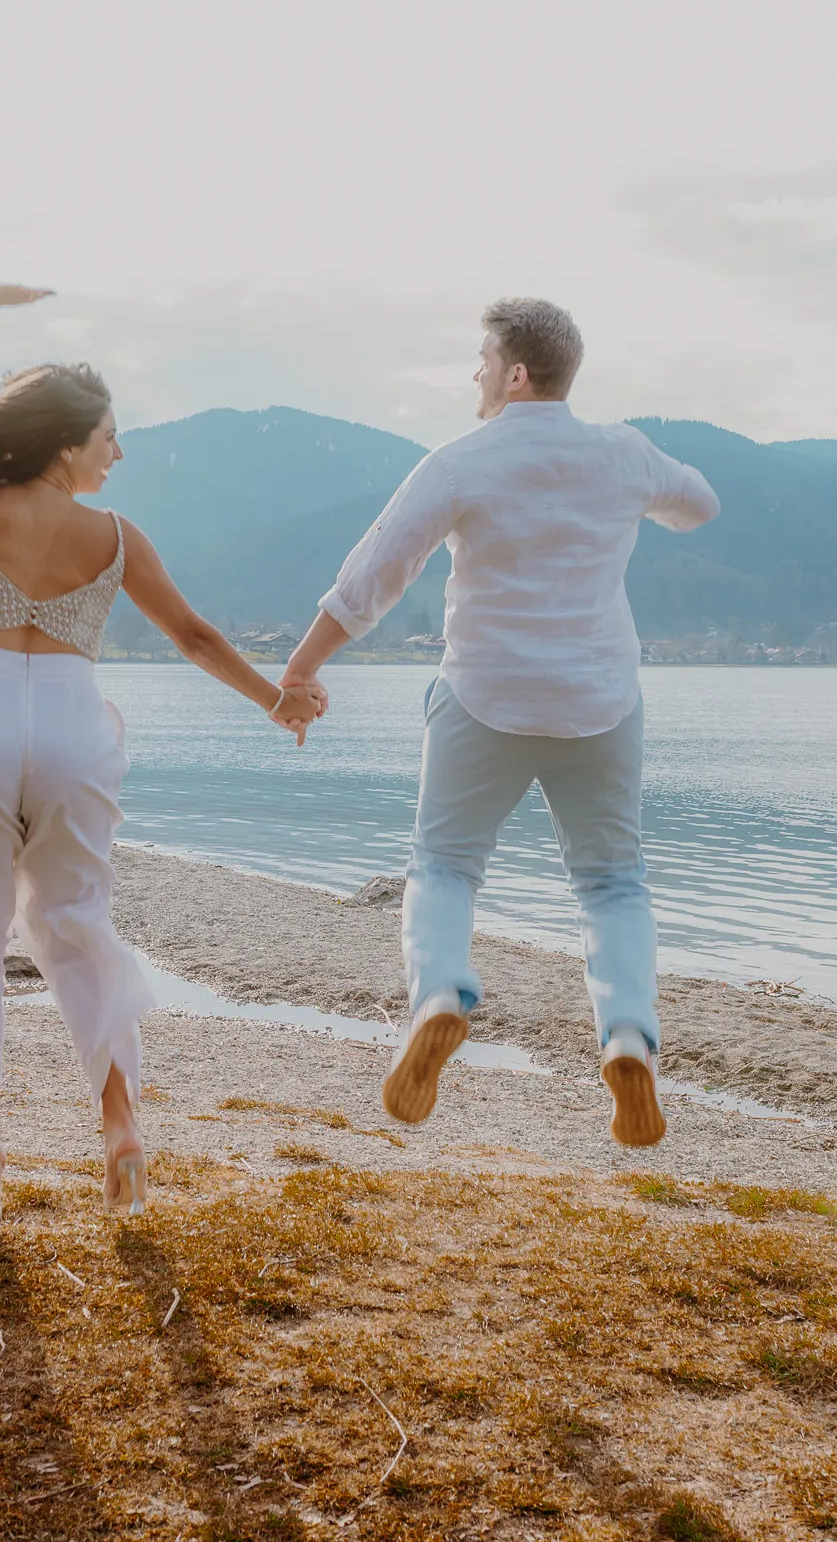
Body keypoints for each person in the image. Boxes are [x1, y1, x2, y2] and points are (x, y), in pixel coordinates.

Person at [0, 285, 324, 1230]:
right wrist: (278, 703)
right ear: (68, 443)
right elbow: (195, 635)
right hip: (68, 722)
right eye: (108, 438)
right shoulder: (117, 537)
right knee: (75, 922)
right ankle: (121, 1128)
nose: (118, 453)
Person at [278, 297, 718, 1146]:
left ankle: (439, 995)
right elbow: (698, 504)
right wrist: (638, 494)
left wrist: (301, 669)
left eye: (482, 358)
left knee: (444, 864)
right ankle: (628, 1038)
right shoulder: (621, 452)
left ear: (516, 373)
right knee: (612, 881)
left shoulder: (460, 462)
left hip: (485, 695)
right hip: (599, 700)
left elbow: (375, 572)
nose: (474, 373)